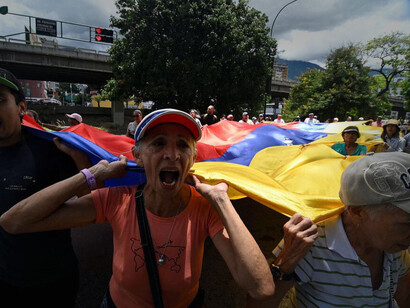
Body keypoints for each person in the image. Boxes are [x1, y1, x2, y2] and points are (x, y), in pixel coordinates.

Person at [1, 108, 274, 307]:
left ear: (191, 160)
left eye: (182, 145)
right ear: (138, 157)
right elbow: (14, 221)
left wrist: (222, 201)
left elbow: (261, 288)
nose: (172, 154)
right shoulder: (116, 199)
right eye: (158, 143)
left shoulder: (204, 208)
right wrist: (92, 174)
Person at [249, 152, 410, 307]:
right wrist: (285, 263)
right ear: (358, 212)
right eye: (406, 223)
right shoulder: (308, 244)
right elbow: (260, 303)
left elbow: (404, 297)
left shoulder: (395, 247)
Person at [0, 68, 90, 306]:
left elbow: (90, 198)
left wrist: (80, 159)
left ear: (21, 108)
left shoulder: (51, 149)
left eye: (1, 101)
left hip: (52, 279)